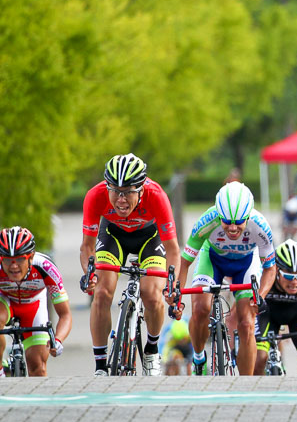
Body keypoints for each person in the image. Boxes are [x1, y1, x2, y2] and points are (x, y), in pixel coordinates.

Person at [79, 153, 180, 376]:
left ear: (142, 189)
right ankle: (100, 365)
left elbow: (173, 249)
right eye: (115, 191)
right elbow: (87, 247)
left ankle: (152, 349)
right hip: (113, 236)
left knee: (152, 294)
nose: (120, 200)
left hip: (148, 239)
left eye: (128, 192)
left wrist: (173, 286)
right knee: (102, 292)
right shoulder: (95, 196)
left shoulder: (157, 196)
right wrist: (89, 274)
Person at [175, 181, 276, 375]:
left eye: (239, 222)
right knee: (200, 309)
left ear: (248, 216)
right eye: (226, 221)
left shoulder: (260, 226)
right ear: (219, 215)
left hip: (245, 264)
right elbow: (185, 262)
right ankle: (198, 358)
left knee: (247, 322)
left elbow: (270, 269)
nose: (232, 227)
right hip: (213, 260)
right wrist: (176, 294)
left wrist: (260, 296)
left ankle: (247, 385)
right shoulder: (207, 221)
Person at [0, 227, 72, 376]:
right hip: (5, 300)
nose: (14, 266)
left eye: (20, 259)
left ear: (31, 257)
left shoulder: (45, 267)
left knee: (38, 366)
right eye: (8, 260)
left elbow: (65, 315)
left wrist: (57, 340)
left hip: (33, 305)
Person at [254, 240, 297, 375]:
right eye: (288, 276)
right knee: (259, 360)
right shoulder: (264, 277)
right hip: (267, 316)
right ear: (277, 271)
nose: (294, 282)